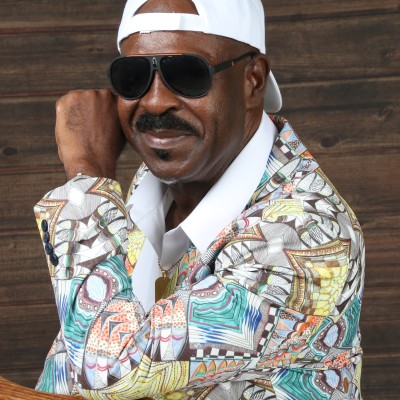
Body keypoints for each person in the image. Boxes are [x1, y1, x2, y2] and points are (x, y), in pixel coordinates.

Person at [33, 0, 365, 398]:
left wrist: (86, 174)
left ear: (253, 81)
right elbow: (73, 357)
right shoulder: (163, 179)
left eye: (188, 74)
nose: (155, 102)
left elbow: (112, 369)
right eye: (134, 77)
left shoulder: (307, 237)